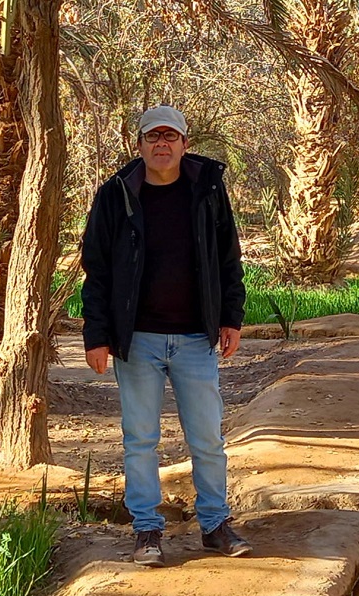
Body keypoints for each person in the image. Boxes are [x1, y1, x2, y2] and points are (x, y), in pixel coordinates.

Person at [80, 104, 252, 567]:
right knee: (140, 439)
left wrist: (231, 318)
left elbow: (228, 258)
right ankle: (147, 531)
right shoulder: (116, 194)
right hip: (137, 340)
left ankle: (214, 525)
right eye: (153, 136)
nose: (161, 144)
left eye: (170, 136)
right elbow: (96, 268)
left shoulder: (207, 189)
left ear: (184, 144)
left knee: (207, 438)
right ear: (139, 145)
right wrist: (96, 335)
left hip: (196, 339)